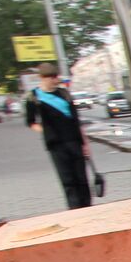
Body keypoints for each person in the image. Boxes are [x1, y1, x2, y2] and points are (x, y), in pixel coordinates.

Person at [26, 63, 92, 209]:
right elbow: (30, 122)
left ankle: (87, 207)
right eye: (52, 77)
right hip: (55, 144)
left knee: (82, 178)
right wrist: (45, 131)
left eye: (56, 76)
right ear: (42, 78)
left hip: (74, 141)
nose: (55, 80)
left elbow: (76, 120)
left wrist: (85, 143)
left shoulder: (64, 94)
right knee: (67, 179)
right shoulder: (34, 97)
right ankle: (74, 209)